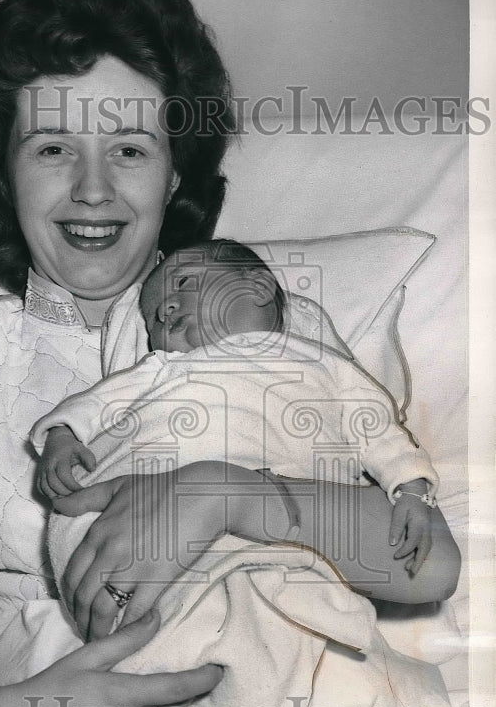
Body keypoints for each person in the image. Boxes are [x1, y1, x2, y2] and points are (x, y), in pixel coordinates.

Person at [0, 0, 459, 707]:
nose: (91, 189)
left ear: (174, 171)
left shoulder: (273, 326)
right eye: (53, 147)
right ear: (2, 166)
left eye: (129, 149)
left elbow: (426, 564)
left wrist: (223, 494)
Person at [32, 239, 460, 642]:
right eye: (154, 315)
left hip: (275, 513)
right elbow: (95, 404)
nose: (166, 310)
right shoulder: (162, 368)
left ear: (257, 287)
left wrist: (410, 488)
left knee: (282, 593)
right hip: (145, 505)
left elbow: (378, 428)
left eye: (182, 284)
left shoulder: (323, 366)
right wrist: (61, 437)